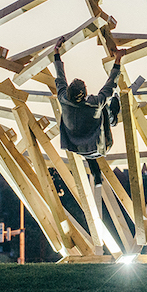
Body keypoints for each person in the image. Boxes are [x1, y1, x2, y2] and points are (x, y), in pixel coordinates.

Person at [54, 37, 124, 183]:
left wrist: (56, 53)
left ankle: (96, 174)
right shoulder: (94, 103)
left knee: (87, 135)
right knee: (104, 106)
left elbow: (60, 78)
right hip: (100, 146)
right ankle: (113, 120)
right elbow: (110, 86)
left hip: (78, 147)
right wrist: (118, 59)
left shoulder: (63, 99)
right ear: (84, 93)